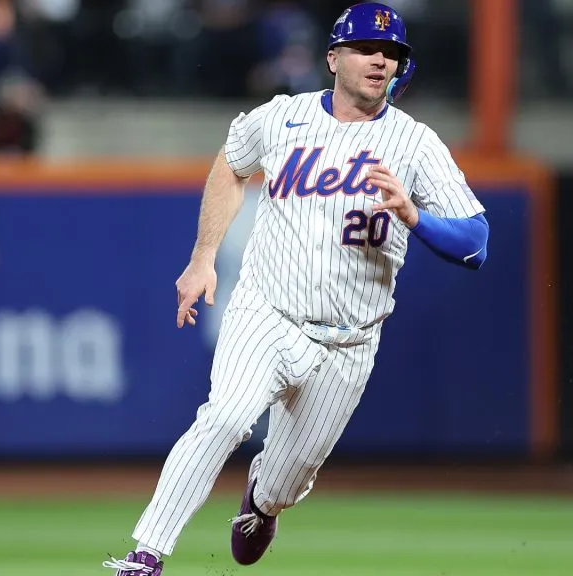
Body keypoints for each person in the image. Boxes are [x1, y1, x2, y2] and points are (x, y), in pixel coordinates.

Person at [103, 3, 489, 574]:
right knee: (226, 418)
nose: (379, 59)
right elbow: (233, 164)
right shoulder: (282, 117)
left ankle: (262, 501)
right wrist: (203, 256)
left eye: (391, 53)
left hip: (351, 343)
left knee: (288, 479)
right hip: (269, 312)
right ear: (333, 58)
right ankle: (146, 554)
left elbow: (476, 243)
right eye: (364, 48)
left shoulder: (416, 145)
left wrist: (415, 217)